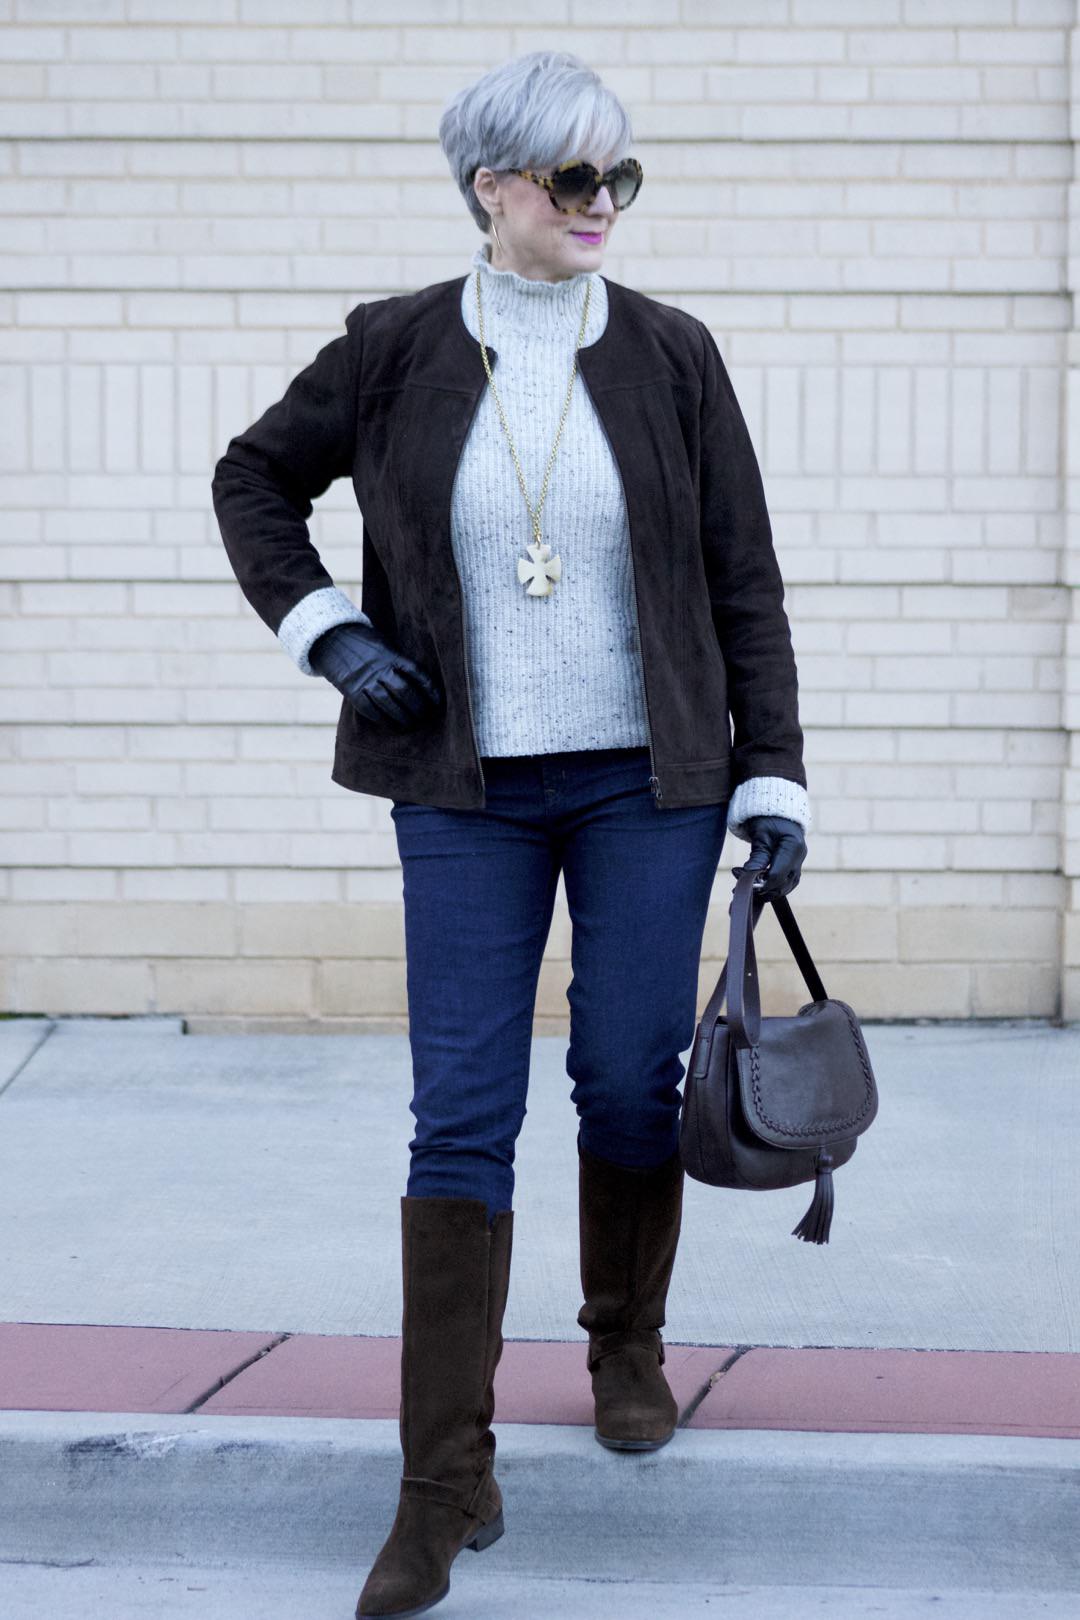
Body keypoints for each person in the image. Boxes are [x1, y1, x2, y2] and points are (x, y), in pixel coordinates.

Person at [212, 48, 810, 1620]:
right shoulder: (394, 347)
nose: (603, 204)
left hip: (647, 782)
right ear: (493, 188)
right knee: (459, 1112)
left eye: (620, 176)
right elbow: (253, 480)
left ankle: (624, 1344)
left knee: (627, 1071)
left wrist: (777, 780)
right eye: (571, 180)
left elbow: (744, 582)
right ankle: (442, 1485)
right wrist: (330, 634)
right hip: (464, 788)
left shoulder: (675, 355)